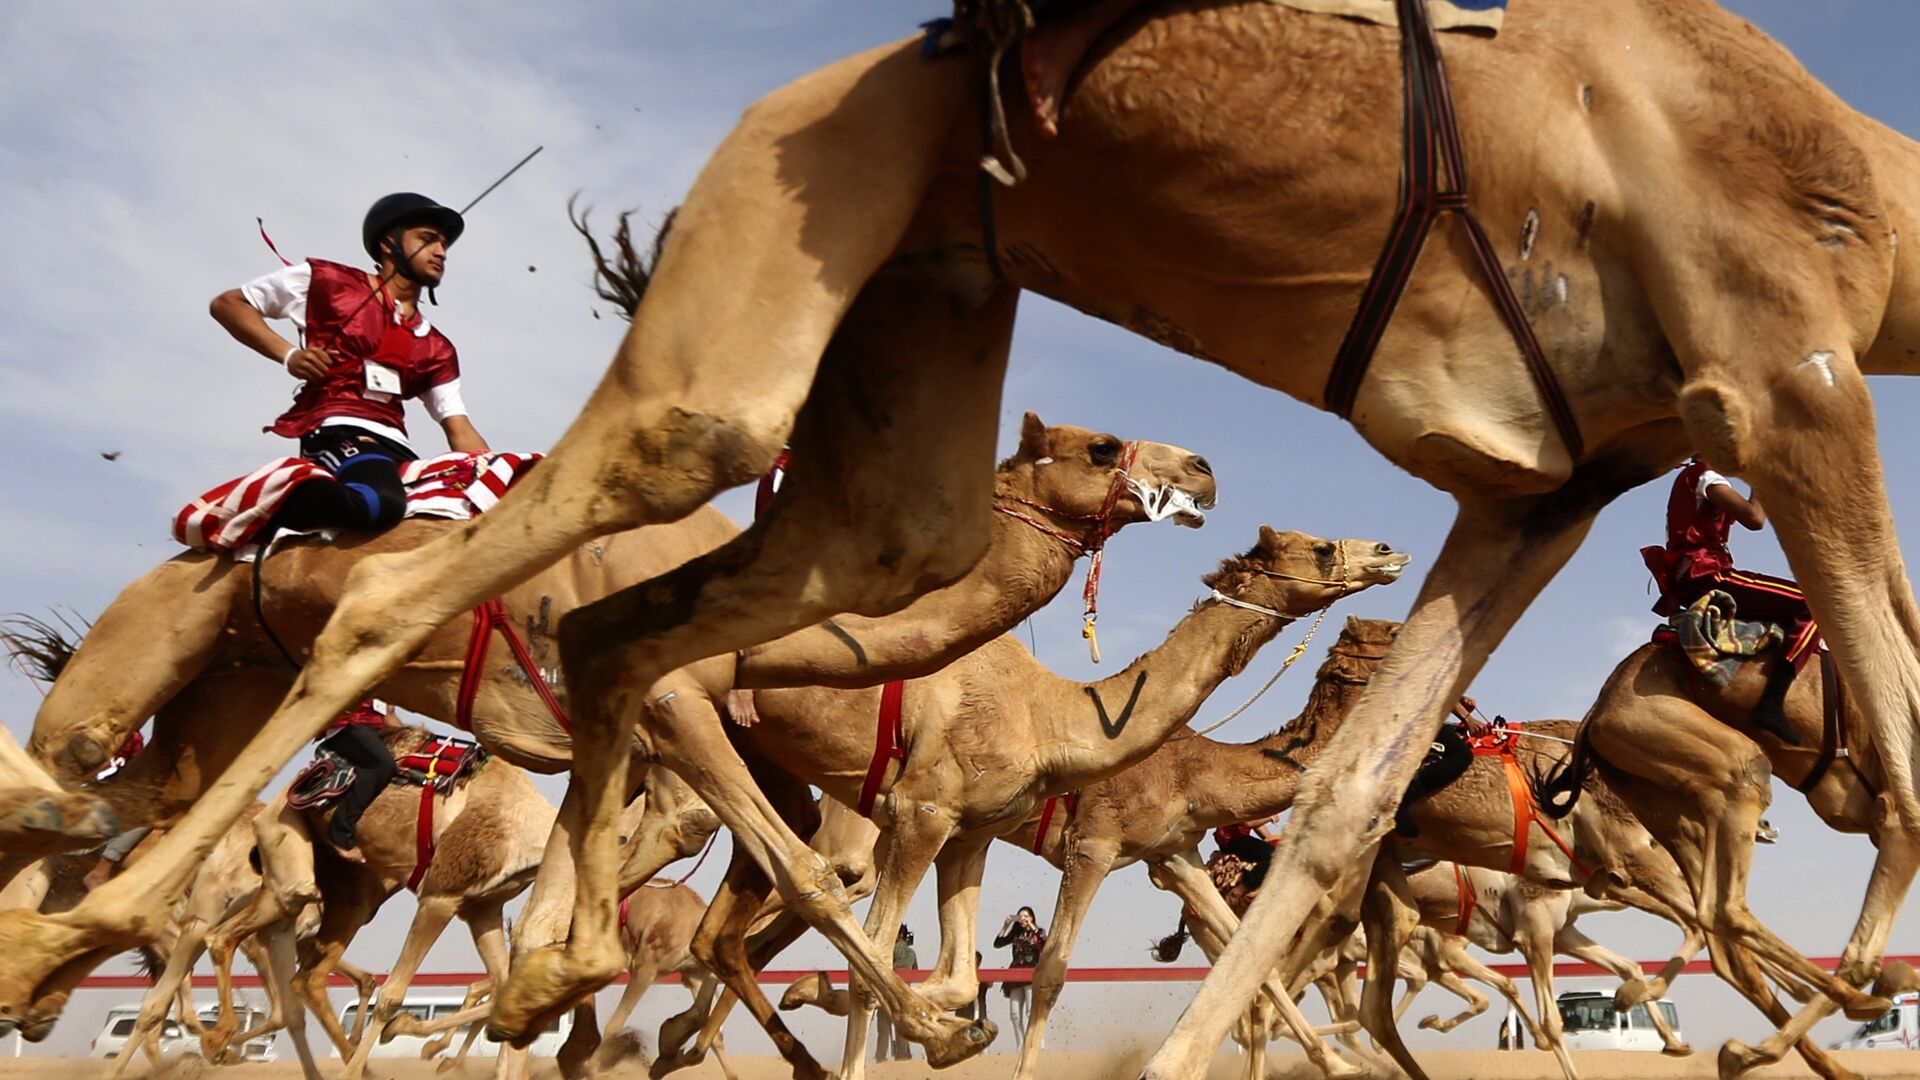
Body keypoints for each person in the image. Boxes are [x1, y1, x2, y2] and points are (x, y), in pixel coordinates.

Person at [209, 193, 489, 536]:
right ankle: (260, 509)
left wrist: (497, 481)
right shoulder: (329, 283)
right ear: (389, 244)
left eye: (444, 245)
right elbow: (229, 304)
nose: (441, 253)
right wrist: (289, 355)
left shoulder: (438, 347)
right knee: (380, 503)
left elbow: (458, 428)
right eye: (428, 240)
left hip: (397, 452)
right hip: (335, 432)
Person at [1641, 458, 1817, 742]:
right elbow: (1755, 518)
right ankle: (1772, 703)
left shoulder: (1693, 478)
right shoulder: (1706, 477)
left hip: (1694, 575)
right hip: (1709, 572)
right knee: (1813, 604)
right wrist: (1763, 476)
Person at [314, 700, 400, 863]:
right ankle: (339, 835)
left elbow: (390, 718)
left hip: (372, 731)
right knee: (382, 764)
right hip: (347, 728)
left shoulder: (387, 687)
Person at [1394, 695, 1492, 838]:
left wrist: (1460, 700)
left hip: (1415, 714)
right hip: (1414, 717)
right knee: (1461, 755)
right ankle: (1404, 798)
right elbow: (1445, 692)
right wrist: (1468, 719)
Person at [995, 906, 1047, 1049]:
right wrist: (1005, 926)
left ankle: (1037, 1042)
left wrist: (1032, 927)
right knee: (1015, 1014)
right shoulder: (1016, 935)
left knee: (1031, 1011)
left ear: (1031, 917)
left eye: (1025, 916)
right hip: (1016, 975)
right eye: (1020, 916)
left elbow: (1045, 945)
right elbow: (997, 944)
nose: (1022, 919)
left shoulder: (1038, 933)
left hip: (1032, 974)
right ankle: (1020, 1045)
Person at [871, 924, 918, 1062]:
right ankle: (903, 1055)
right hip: (904, 995)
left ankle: (880, 1057)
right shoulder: (911, 953)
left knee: (884, 1030)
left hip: (886, 994)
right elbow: (916, 972)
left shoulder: (887, 951)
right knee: (902, 1028)